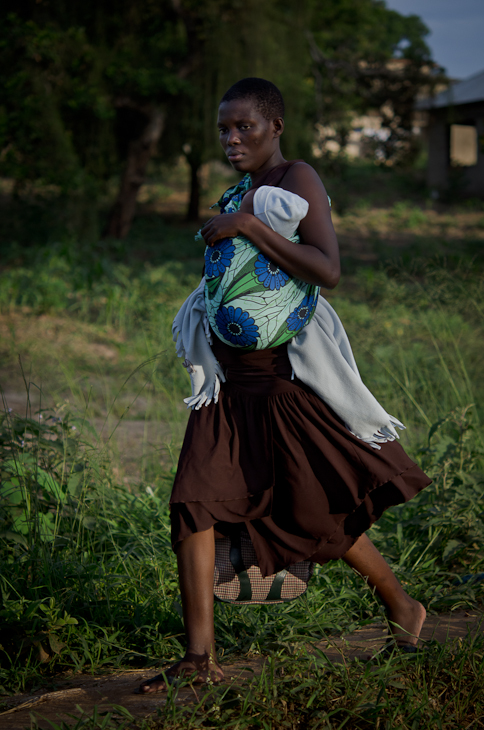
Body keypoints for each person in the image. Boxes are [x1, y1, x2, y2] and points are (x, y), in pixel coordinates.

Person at [138, 78, 431, 693]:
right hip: (227, 386)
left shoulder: (296, 179)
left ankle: (403, 607)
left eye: (244, 126)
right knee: (194, 502)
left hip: (278, 382)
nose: (231, 138)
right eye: (224, 128)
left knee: (314, 506)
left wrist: (247, 227)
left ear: (275, 127)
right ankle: (199, 660)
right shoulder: (240, 192)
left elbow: (327, 269)